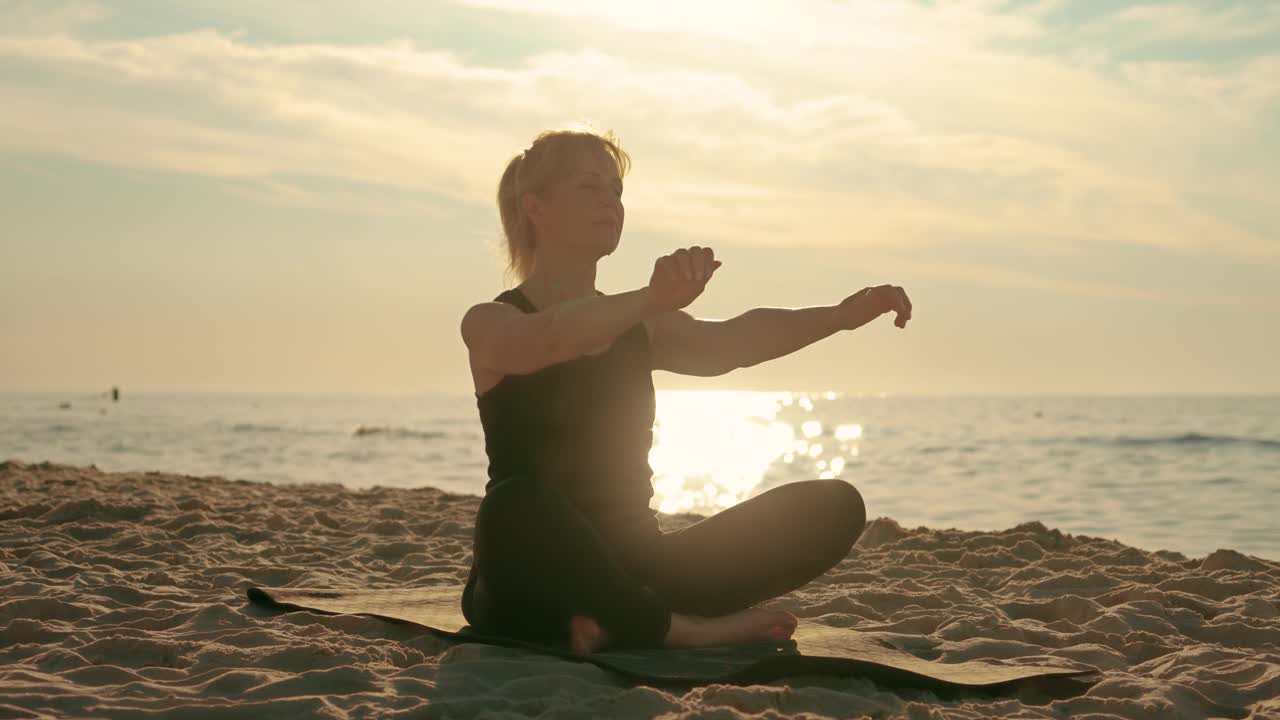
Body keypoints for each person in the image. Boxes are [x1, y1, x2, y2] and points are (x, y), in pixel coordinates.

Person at [459, 125, 913, 656]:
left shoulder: (642, 325)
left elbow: (731, 342)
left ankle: (611, 620)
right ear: (535, 207)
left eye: (616, 190)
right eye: (590, 187)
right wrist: (652, 297)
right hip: (532, 576)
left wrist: (840, 316)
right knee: (514, 502)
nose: (611, 201)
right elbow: (555, 336)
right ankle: (678, 630)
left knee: (835, 506)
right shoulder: (491, 322)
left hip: (641, 567)